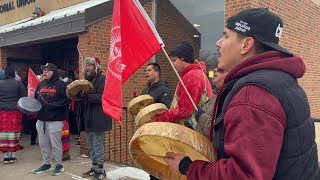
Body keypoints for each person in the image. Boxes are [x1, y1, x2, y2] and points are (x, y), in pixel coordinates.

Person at [164, 8, 319, 180]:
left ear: (246, 45)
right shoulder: (281, 79)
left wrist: (188, 167)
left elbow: (243, 175)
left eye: (226, 36)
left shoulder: (254, 94)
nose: (218, 43)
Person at [154, 41, 213, 129]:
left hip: (193, 132)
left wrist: (161, 118)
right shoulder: (193, 74)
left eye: (174, 60)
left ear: (183, 58)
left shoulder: (192, 77)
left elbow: (185, 110)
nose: (172, 65)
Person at [34, 63, 70, 176]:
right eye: (44, 70)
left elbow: (67, 100)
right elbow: (35, 98)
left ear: (54, 72)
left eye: (47, 70)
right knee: (43, 143)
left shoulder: (61, 84)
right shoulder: (40, 84)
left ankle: (59, 165)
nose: (44, 72)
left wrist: (52, 106)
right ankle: (46, 164)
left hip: (55, 120)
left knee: (56, 144)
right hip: (41, 120)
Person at [79, 57, 112, 180]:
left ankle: (101, 171)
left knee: (98, 145)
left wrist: (86, 96)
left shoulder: (102, 79)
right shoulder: (86, 81)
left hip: (99, 117)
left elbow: (101, 97)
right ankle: (95, 168)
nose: (87, 67)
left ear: (96, 67)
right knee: (91, 145)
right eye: (86, 65)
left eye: (90, 65)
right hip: (88, 118)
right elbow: (85, 97)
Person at [142, 63, 172, 180]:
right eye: (146, 70)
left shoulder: (164, 90)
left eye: (149, 70)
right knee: (151, 160)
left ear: (157, 72)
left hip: (159, 132)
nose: (146, 73)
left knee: (159, 160)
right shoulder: (145, 90)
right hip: (147, 131)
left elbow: (165, 111)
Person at [0, 66, 26, 164]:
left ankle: (6, 156)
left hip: (2, 112)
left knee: (3, 134)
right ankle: (13, 156)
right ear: (13, 74)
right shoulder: (18, 83)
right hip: (15, 112)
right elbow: (24, 97)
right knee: (14, 134)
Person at [194, 67, 228, 138]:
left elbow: (219, 131)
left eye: (220, 71)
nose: (215, 72)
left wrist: (201, 117)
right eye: (215, 70)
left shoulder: (226, 98)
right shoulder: (216, 95)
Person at [57, 69, 72, 161]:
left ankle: (65, 154)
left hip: (62, 115)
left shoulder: (63, 85)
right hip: (58, 115)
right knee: (59, 136)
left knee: (64, 135)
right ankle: (61, 153)